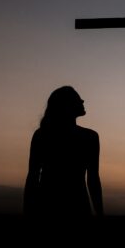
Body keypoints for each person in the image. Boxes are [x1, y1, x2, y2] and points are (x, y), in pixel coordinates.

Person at [24, 86, 104, 219]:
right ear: (67, 105)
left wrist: (27, 211)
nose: (82, 101)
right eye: (78, 99)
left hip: (47, 207)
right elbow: (93, 180)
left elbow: (32, 178)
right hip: (77, 207)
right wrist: (100, 212)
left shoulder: (41, 135)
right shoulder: (89, 137)